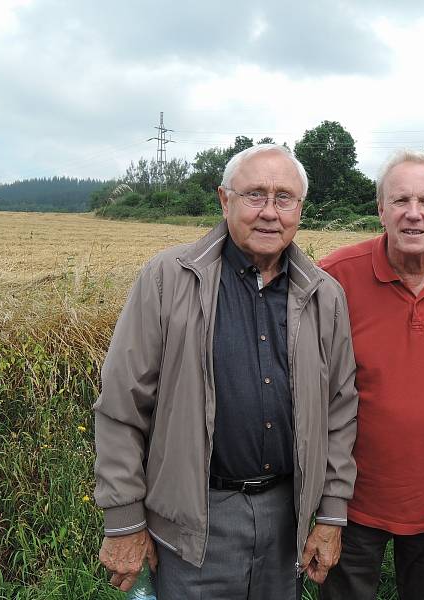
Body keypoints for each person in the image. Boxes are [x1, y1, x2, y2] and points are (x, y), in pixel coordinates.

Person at [93, 144, 359, 599]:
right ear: (224, 199)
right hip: (195, 520)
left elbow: (340, 411)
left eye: (284, 198)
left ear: (300, 207)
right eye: (255, 195)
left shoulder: (324, 295)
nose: (270, 212)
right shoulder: (168, 279)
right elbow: (121, 405)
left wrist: (331, 515)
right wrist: (124, 520)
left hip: (286, 517)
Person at [318, 149, 424, 600]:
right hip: (346, 502)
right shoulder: (334, 278)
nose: (413, 215)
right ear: (380, 209)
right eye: (400, 201)